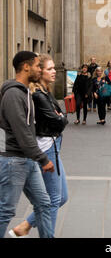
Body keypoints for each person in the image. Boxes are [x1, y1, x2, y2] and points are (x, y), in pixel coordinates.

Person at [10, 54, 69, 238]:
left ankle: (26, 225)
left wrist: (61, 116)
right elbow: (58, 120)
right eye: (49, 69)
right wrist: (60, 117)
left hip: (53, 145)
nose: (54, 72)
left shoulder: (45, 91)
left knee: (61, 197)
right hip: (46, 147)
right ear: (39, 71)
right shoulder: (37, 95)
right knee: (51, 199)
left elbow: (61, 116)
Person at [0, 51, 54, 239]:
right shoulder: (14, 94)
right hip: (13, 160)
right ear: (26, 67)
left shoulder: (25, 92)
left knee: (44, 204)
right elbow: (22, 132)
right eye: (38, 66)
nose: (40, 69)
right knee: (6, 210)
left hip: (27, 159)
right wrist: (43, 158)